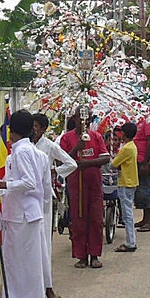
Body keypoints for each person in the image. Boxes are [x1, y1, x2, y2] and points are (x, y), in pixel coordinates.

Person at [0, 109, 48, 298]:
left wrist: (2, 185)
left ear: (11, 131)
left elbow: (30, 182)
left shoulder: (22, 152)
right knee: (14, 265)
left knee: (26, 266)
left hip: (24, 215)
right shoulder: (20, 151)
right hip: (17, 215)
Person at [30, 112, 77, 298]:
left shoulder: (49, 146)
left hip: (43, 200)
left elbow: (71, 163)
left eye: (35, 127)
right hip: (27, 198)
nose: (32, 131)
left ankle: (45, 285)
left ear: (43, 129)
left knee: (43, 243)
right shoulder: (24, 145)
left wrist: (54, 172)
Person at [61, 109, 109, 268]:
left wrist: (87, 163)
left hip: (94, 186)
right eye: (80, 118)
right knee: (78, 219)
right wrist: (77, 148)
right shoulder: (67, 138)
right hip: (76, 186)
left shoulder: (96, 136)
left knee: (96, 219)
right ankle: (81, 256)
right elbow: (63, 160)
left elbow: (105, 157)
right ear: (74, 119)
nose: (83, 121)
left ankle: (94, 255)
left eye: (86, 118)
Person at [110, 122, 139, 253]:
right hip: (131, 181)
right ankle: (130, 241)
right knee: (128, 213)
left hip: (125, 182)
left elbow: (114, 164)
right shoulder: (132, 146)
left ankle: (130, 242)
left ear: (124, 134)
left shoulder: (126, 148)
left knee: (127, 214)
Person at [132, 114, 150, 232]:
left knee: (146, 189)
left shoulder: (149, 121)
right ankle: (144, 219)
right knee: (140, 190)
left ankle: (149, 222)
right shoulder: (138, 120)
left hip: (144, 161)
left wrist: (145, 163)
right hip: (136, 160)